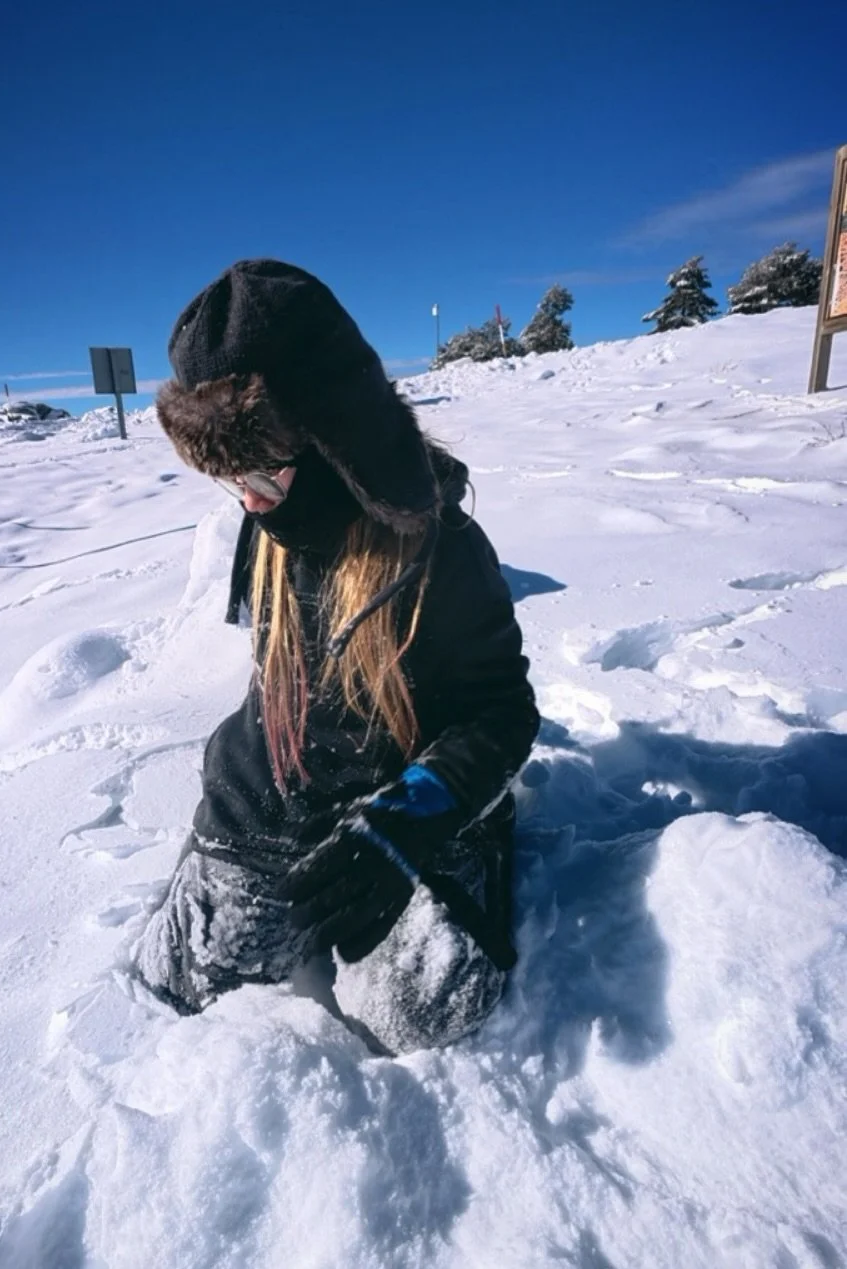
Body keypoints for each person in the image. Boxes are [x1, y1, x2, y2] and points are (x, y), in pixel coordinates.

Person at [136, 260, 540, 1055]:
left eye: (262, 473)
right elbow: (277, 685)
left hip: (412, 804)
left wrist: (407, 821)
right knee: (177, 984)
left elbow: (502, 711)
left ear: (333, 444)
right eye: (231, 480)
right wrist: (242, 815)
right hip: (280, 797)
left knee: (423, 1012)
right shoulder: (269, 530)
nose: (248, 502)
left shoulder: (443, 553)